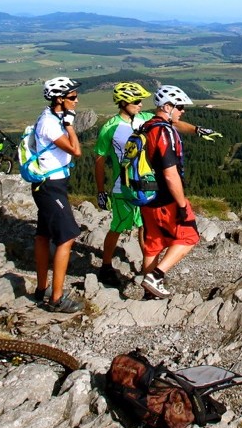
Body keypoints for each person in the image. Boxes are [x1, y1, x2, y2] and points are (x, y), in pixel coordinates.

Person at [94, 81, 221, 287]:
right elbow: (99, 160)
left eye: (142, 100)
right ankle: (107, 266)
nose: (140, 104)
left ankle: (149, 274)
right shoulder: (110, 128)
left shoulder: (146, 120)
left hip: (147, 187)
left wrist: (197, 130)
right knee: (118, 226)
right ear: (123, 102)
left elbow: (174, 123)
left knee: (146, 229)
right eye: (136, 101)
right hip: (122, 187)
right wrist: (101, 191)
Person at [139, 85, 201, 299]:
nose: (182, 110)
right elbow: (170, 173)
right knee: (189, 236)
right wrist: (182, 204)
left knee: (153, 244)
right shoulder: (164, 132)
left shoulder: (146, 126)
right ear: (167, 106)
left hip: (146, 195)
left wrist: (196, 129)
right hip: (166, 198)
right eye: (180, 106)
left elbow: (177, 123)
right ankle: (155, 276)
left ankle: (149, 292)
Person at [31, 76, 84, 313]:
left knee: (43, 235)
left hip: (47, 185)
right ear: (59, 99)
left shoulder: (50, 117)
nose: (76, 100)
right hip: (51, 186)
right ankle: (56, 299)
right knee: (67, 237)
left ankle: (42, 288)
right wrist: (71, 125)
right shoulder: (50, 123)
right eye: (72, 97)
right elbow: (76, 150)